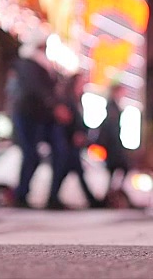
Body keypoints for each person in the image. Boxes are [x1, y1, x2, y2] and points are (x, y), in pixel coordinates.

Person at [10, 25, 71, 209]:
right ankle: (21, 195)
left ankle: (52, 196)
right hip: (29, 115)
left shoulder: (46, 64)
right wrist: (55, 107)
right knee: (31, 155)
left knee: (61, 153)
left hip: (45, 117)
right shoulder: (27, 63)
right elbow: (35, 89)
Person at [47, 73, 104, 209]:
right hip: (66, 143)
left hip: (71, 145)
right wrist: (76, 134)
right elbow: (66, 122)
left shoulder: (77, 100)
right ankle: (54, 199)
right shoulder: (67, 100)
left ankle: (54, 198)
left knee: (69, 172)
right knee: (65, 171)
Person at [97, 83, 130, 206]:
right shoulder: (112, 107)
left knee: (113, 173)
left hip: (113, 145)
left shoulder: (113, 106)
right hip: (113, 146)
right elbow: (111, 130)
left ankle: (109, 196)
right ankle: (111, 195)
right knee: (123, 167)